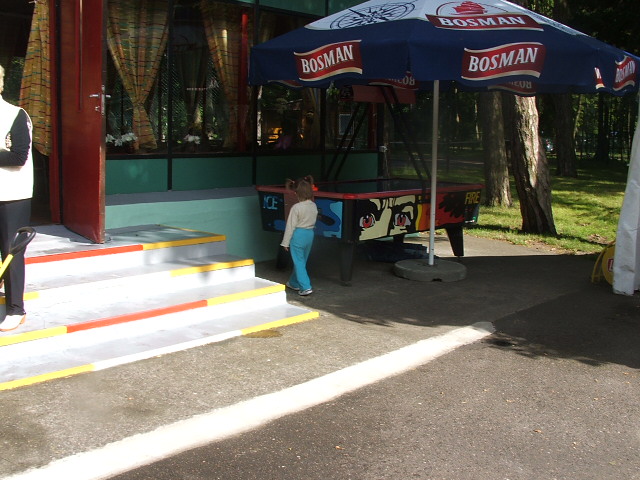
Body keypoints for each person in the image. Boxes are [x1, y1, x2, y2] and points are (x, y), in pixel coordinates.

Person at [0, 64, 33, 332]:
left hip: (12, 194)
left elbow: (18, 156)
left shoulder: (15, 114)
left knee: (11, 251)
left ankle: (16, 308)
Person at [281, 175, 318, 296]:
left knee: (299, 262)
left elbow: (290, 226)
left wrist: (285, 242)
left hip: (298, 235)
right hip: (309, 234)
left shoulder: (296, 207)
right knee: (302, 261)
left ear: (297, 193)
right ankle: (293, 282)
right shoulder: (313, 205)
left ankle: (306, 287)